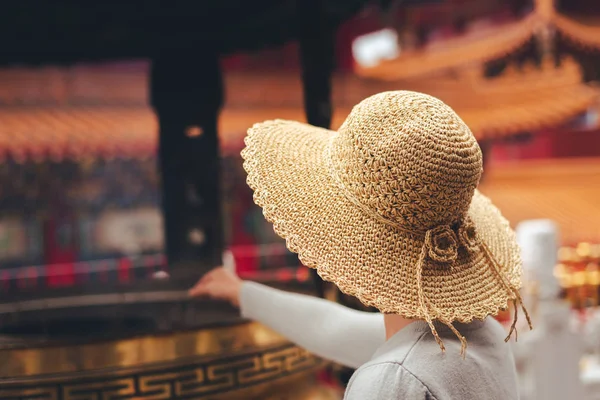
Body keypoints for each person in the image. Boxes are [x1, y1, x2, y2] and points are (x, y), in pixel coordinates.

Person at [191, 91, 531, 399]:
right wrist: (243, 294)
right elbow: (335, 329)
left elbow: (380, 360)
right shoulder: (478, 335)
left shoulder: (394, 382)